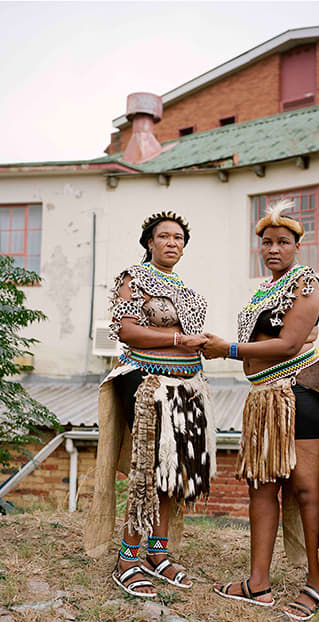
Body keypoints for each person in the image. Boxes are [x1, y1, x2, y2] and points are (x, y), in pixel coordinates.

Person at [202, 200, 319, 622]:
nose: (273, 249)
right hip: (263, 399)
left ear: (297, 246)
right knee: (261, 488)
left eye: (283, 242)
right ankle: (258, 584)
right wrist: (217, 346)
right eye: (267, 243)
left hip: (301, 393)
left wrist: (229, 349)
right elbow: (258, 349)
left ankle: (316, 582)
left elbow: (290, 344)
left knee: (308, 489)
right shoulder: (263, 292)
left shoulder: (307, 285)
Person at [83, 210, 215, 599]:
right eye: (165, 237)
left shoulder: (187, 291)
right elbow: (124, 330)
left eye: (179, 238)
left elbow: (188, 336)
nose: (172, 243)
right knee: (148, 467)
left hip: (187, 384)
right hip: (145, 379)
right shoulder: (134, 278)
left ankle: (157, 553)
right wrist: (177, 341)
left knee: (174, 471)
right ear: (149, 243)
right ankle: (127, 560)